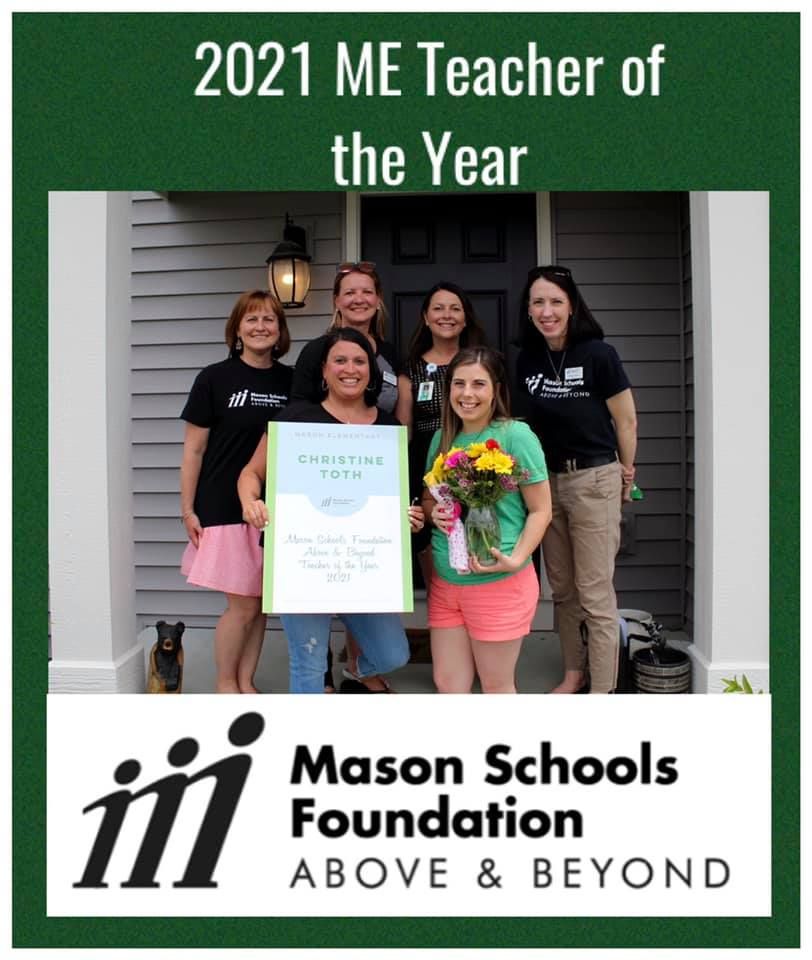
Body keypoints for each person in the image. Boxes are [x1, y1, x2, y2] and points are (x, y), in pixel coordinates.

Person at [238, 327, 424, 695]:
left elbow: (393, 497)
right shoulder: (295, 420)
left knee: (393, 653)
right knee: (308, 662)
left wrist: (409, 518)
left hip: (363, 560)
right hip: (303, 558)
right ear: (324, 369)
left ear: (371, 370)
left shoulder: (388, 428)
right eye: (340, 360)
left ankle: (358, 669)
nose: (350, 369)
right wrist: (250, 502)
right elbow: (251, 474)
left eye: (359, 361)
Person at [515, 264, 638, 695]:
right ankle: (573, 674)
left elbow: (626, 421)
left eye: (556, 301)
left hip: (594, 479)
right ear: (528, 310)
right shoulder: (528, 360)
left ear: (572, 307)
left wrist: (626, 473)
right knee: (564, 589)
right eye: (538, 302)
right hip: (546, 485)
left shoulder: (599, 354)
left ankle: (602, 690)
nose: (546, 311)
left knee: (594, 592)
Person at [180, 289, 292, 693]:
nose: (261, 327)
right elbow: (194, 449)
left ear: (280, 330)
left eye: (269, 319)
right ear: (237, 329)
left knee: (260, 602)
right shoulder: (214, 378)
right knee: (242, 603)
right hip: (223, 503)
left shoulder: (292, 381)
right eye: (252, 319)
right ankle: (226, 683)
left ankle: (246, 681)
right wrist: (188, 509)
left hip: (273, 507)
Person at [422, 347, 551, 694]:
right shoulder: (441, 438)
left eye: (478, 384)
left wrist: (518, 557)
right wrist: (434, 513)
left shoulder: (515, 436)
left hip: (498, 582)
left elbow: (541, 510)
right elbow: (429, 498)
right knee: (448, 684)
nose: (467, 394)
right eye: (459, 383)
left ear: (496, 390)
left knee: (496, 687)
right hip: (447, 582)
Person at [396, 282, 487, 587]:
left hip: (473, 460)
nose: (446, 315)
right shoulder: (411, 369)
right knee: (431, 538)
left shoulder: (481, 363)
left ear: (465, 317)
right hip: (426, 464)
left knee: (477, 531)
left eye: (455, 308)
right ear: (425, 317)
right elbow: (405, 428)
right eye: (438, 308)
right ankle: (443, 602)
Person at [290, 261, 399, 413]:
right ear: (337, 302)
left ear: (378, 300)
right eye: (350, 293)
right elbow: (297, 409)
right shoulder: (315, 351)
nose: (359, 300)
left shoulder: (390, 354)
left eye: (367, 292)